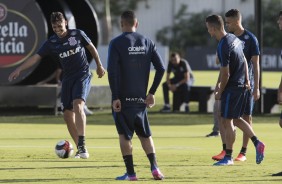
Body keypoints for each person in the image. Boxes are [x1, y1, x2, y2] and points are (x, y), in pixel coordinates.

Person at [8, 12, 106, 159]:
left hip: (82, 74)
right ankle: (80, 148)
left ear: (65, 22)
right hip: (67, 78)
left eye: (59, 26)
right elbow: (35, 57)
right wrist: (18, 69)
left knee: (78, 106)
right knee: (67, 116)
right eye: (54, 27)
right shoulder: (51, 43)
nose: (58, 29)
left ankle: (83, 145)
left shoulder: (77, 34)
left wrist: (99, 65)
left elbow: (91, 48)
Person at [107, 10, 165, 180]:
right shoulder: (147, 42)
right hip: (140, 99)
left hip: (123, 99)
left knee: (124, 135)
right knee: (145, 134)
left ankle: (131, 174)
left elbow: (112, 72)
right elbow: (161, 68)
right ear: (136, 24)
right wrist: (152, 92)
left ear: (121, 24)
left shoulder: (116, 43)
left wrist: (116, 96)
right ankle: (155, 168)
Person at [205, 14, 265, 166]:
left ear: (213, 28)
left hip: (232, 88)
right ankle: (257, 142)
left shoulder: (223, 44)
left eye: (208, 29)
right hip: (242, 86)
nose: (208, 32)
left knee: (227, 120)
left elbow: (226, 73)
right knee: (238, 119)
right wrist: (246, 79)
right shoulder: (234, 39)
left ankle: (228, 157)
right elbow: (245, 60)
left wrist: (220, 90)